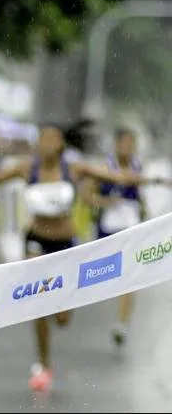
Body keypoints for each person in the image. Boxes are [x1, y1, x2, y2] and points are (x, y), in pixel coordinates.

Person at [0, 124, 164, 394]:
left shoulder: (73, 170)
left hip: (65, 245)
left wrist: (158, 181)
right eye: (43, 139)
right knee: (38, 304)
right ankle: (43, 364)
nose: (47, 144)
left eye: (53, 139)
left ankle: (56, 309)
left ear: (61, 145)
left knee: (62, 318)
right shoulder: (27, 169)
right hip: (36, 241)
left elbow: (119, 177)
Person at [79, 127, 145, 348]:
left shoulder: (138, 167)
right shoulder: (104, 168)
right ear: (116, 145)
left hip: (131, 227)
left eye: (131, 144)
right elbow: (87, 196)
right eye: (124, 144)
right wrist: (107, 202)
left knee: (130, 275)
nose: (127, 148)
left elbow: (142, 196)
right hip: (108, 228)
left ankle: (122, 323)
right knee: (107, 274)